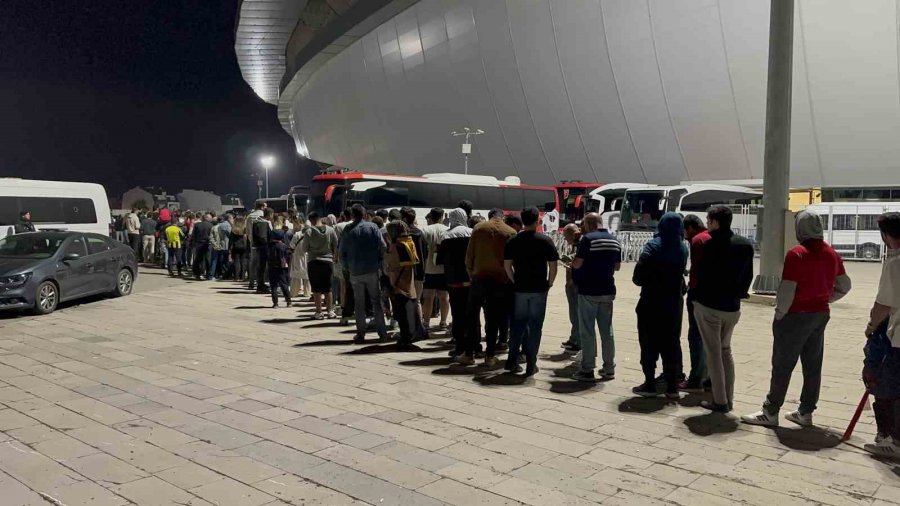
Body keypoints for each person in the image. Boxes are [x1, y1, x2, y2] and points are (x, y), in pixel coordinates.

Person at [743, 210, 851, 424]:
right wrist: (826, 299)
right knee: (812, 365)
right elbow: (845, 285)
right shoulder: (832, 253)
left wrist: (780, 313)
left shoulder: (797, 254)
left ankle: (770, 411)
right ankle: (806, 412)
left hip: (795, 316)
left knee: (783, 364)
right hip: (820, 314)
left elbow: (787, 290)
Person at [691, 206, 755, 411]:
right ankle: (729, 397)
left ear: (716, 222)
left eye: (709, 220)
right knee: (726, 351)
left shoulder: (710, 245)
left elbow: (702, 275)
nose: (707, 224)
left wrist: (696, 299)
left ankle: (720, 401)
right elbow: (748, 275)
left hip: (710, 305)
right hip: (733, 307)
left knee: (713, 354)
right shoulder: (745, 245)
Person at [631, 213, 688, 399]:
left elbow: (638, 276)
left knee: (648, 342)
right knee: (671, 343)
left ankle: (649, 383)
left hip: (651, 301)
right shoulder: (682, 247)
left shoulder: (653, 246)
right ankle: (672, 386)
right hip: (673, 303)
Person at [861, 213, 900, 455]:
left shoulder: (895, 264)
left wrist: (871, 326)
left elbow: (882, 305)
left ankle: (893, 442)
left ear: (886, 236)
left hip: (898, 339)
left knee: (888, 389)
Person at [503, 206, 558, 376]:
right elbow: (553, 266)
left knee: (517, 325)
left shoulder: (513, 241)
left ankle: (512, 360)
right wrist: (549, 284)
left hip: (520, 288)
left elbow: (507, 265)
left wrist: (514, 280)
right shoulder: (545, 241)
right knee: (535, 326)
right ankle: (531, 363)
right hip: (538, 288)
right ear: (537, 220)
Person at [461, 208, 516, 366]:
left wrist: (472, 275)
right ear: (502, 217)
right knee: (493, 319)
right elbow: (512, 260)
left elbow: (469, 256)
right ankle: (489, 355)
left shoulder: (479, 228)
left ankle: (469, 353)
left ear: (489, 216)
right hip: (499, 281)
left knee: (472, 317)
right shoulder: (510, 231)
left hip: (479, 279)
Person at [570, 213, 620, 382]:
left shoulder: (588, 239)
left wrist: (572, 265)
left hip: (589, 291)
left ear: (590, 224)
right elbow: (617, 266)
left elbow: (577, 263)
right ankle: (608, 368)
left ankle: (587, 368)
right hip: (607, 290)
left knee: (587, 331)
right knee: (607, 331)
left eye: (583, 224)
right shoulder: (614, 240)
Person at [340, 204, 389, 342]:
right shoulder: (373, 227)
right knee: (376, 302)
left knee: (359, 303)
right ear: (364, 214)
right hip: (372, 269)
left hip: (355, 271)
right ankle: (382, 333)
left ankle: (361, 333)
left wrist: (347, 267)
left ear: (353, 215)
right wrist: (379, 263)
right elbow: (383, 246)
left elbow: (341, 252)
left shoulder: (347, 230)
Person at [682, 214, 712, 392]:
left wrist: (691, 287)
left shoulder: (698, 240)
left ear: (690, 228)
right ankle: (710, 377)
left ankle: (696, 378)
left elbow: (697, 269)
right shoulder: (712, 236)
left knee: (695, 336)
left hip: (699, 294)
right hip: (714, 295)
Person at [437, 208, 473, 356]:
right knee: (472, 313)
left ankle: (460, 346)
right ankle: (473, 345)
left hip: (453, 281)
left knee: (457, 314)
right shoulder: (472, 233)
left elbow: (439, 260)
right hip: (470, 279)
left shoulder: (444, 235)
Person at [384, 220, 424, 348]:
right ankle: (410, 336)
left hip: (398, 284)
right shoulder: (409, 242)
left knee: (402, 313)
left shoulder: (396, 246)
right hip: (409, 282)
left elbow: (389, 265)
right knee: (409, 311)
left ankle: (405, 339)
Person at [303, 212, 339, 319]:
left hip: (314, 261)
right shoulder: (330, 230)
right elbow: (336, 244)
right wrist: (334, 257)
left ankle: (319, 312)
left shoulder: (309, 231)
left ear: (312, 220)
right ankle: (330, 311)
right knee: (328, 288)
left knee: (316, 288)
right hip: (328, 261)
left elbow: (305, 248)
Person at [420, 208, 450, 331]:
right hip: (444, 269)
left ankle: (426, 322)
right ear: (442, 216)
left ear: (430, 217)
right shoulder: (447, 230)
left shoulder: (425, 230)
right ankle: (443, 322)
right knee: (444, 297)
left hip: (429, 269)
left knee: (428, 297)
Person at [560, 223, 582, 353]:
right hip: (572, 283)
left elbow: (577, 265)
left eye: (566, 236)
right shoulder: (576, 245)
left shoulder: (580, 245)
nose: (565, 239)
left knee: (576, 314)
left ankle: (577, 341)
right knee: (573, 314)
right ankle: (574, 338)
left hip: (575, 285)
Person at [334, 208, 354, 324]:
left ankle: (343, 307)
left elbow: (337, 244)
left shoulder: (339, 226)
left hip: (343, 259)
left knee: (343, 285)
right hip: (356, 260)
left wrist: (335, 258)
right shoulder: (357, 225)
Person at [250, 207, 274, 292]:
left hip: (259, 247)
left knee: (261, 266)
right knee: (263, 267)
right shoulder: (263, 223)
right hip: (264, 247)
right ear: (270, 214)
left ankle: (261, 284)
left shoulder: (257, 222)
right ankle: (261, 285)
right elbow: (263, 237)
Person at [268, 230, 292, 308]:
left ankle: (275, 303)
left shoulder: (270, 246)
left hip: (272, 267)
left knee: (273, 286)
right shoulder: (284, 246)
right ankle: (289, 302)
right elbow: (287, 255)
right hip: (282, 267)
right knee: (284, 284)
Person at [289, 219, 310, 299]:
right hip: (308, 257)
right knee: (307, 277)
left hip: (298, 257)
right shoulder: (312, 235)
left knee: (296, 276)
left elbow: (292, 245)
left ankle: (294, 292)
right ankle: (307, 293)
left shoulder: (297, 234)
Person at [191, 213, 214, 280]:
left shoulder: (197, 225)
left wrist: (194, 243)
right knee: (208, 259)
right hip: (207, 244)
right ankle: (208, 274)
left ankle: (197, 273)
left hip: (199, 244)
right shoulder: (211, 225)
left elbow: (193, 235)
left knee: (198, 259)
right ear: (207, 218)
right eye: (210, 218)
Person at [209, 215, 232, 280]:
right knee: (223, 260)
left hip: (217, 246)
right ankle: (223, 274)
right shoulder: (226, 226)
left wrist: (214, 244)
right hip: (224, 245)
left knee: (215, 261)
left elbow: (211, 237)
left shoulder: (214, 227)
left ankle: (213, 275)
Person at [231, 217, 249, 281]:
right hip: (244, 245)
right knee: (243, 261)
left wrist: (229, 248)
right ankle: (243, 276)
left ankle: (236, 277)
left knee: (236, 261)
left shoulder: (233, 229)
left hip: (236, 246)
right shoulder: (245, 229)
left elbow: (231, 240)